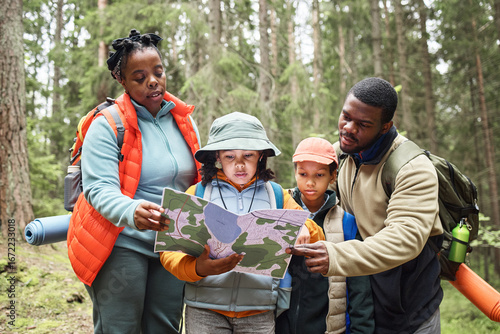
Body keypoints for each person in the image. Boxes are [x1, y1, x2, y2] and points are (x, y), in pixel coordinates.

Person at [67, 29, 201, 334]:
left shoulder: (184, 120)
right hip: (120, 241)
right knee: (121, 327)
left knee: (164, 326)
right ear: (122, 81)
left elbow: (197, 178)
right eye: (139, 77)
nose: (152, 81)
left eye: (158, 72)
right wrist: (132, 211)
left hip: (172, 242)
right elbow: (98, 189)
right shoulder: (108, 124)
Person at [288, 77, 443, 333]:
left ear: (385, 127)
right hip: (367, 300)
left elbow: (407, 237)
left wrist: (337, 255)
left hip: (410, 305)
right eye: (345, 116)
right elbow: (307, 192)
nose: (348, 128)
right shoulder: (340, 155)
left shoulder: (412, 168)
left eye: (363, 124)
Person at [160, 111, 325, 334]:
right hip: (204, 309)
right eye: (230, 156)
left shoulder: (276, 196)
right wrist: (197, 267)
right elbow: (169, 251)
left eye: (248, 155)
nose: (239, 165)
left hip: (259, 309)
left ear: (260, 156)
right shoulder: (198, 193)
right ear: (217, 157)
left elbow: (317, 237)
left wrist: (304, 228)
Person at [276, 137, 374, 334]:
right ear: (295, 172)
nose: (310, 182)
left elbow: (360, 289)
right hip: (279, 325)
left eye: (319, 175)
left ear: (332, 176)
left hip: (329, 327)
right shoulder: (277, 210)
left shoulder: (346, 223)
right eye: (303, 174)